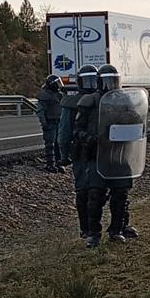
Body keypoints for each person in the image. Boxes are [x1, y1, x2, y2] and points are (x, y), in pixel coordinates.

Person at [74, 63, 146, 247]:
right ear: (99, 82)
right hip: (97, 155)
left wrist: (133, 128)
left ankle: (116, 230)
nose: (110, 85)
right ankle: (93, 234)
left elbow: (138, 122)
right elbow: (78, 129)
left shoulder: (125, 102)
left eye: (114, 81)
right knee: (95, 195)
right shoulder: (89, 101)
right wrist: (88, 138)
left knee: (120, 195)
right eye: (107, 81)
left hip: (120, 154)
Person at [58, 64, 98, 239]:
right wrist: (64, 153)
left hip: (100, 149)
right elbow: (65, 131)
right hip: (82, 150)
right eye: (86, 80)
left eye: (92, 80)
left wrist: (63, 154)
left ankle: (117, 226)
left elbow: (63, 132)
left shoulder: (104, 99)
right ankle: (86, 228)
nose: (90, 84)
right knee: (83, 190)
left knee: (114, 189)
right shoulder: (71, 102)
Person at [36, 74, 65, 172]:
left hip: (58, 122)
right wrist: (44, 123)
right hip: (50, 123)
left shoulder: (59, 95)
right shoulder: (45, 95)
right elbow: (40, 110)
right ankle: (50, 164)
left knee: (58, 144)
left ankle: (59, 163)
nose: (59, 85)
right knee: (50, 144)